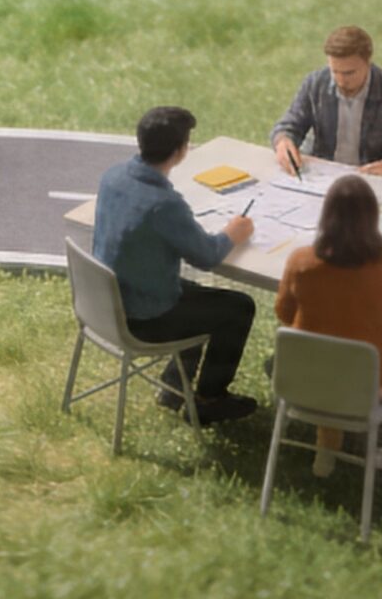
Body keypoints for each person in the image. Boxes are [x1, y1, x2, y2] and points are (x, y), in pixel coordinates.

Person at [90, 105, 260, 425]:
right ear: (181, 151)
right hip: (143, 317)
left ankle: (173, 385)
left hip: (105, 302)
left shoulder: (113, 175)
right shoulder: (163, 204)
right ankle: (210, 398)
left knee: (195, 297)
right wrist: (232, 234)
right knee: (239, 307)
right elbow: (207, 257)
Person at [275, 174, 382, 475]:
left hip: (303, 378)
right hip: (366, 385)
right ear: (373, 219)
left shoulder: (300, 262)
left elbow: (284, 314)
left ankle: (326, 451)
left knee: (328, 356)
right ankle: (376, 448)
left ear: (326, 217)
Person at [271, 25, 382, 181]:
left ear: (368, 61)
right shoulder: (315, 84)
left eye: (349, 73)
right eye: (335, 71)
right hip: (320, 176)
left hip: (366, 181)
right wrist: (283, 141)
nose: (341, 81)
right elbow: (289, 124)